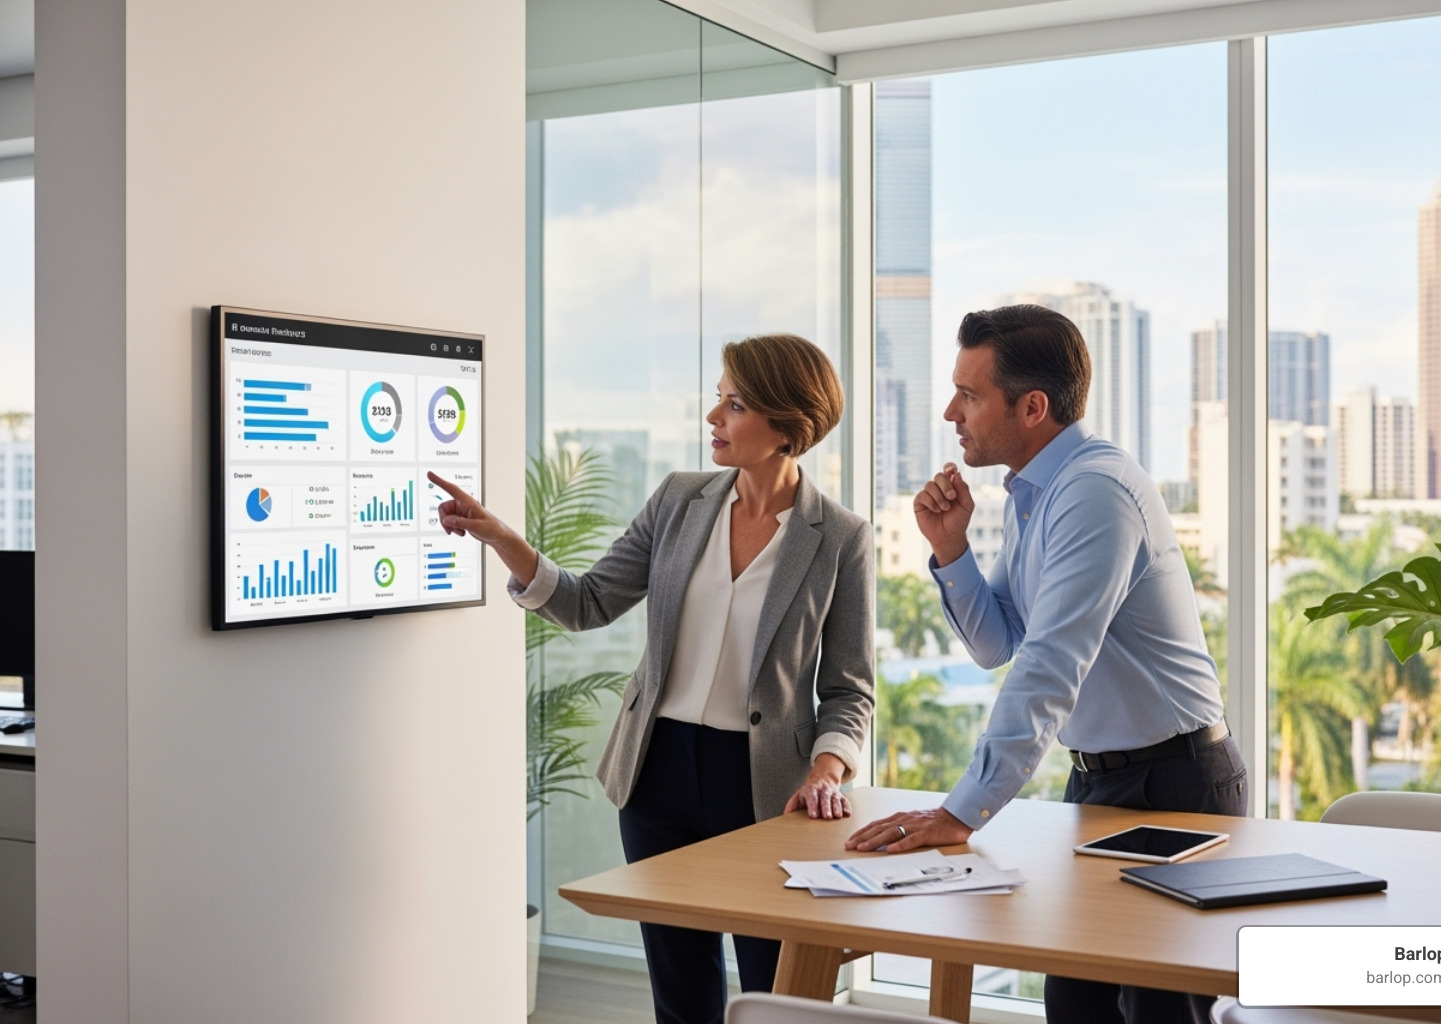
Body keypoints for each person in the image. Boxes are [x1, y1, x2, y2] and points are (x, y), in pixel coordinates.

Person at [430, 333, 875, 1024]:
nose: (713, 419)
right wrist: (503, 540)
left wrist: (827, 770)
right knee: (680, 990)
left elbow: (849, 689)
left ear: (787, 427)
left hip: (763, 792)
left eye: (734, 405)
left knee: (773, 987)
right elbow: (588, 601)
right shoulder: (678, 501)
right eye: (718, 400)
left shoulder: (840, 537)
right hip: (657, 773)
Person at [844, 304, 1245, 1024]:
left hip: (1177, 785)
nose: (950, 412)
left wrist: (960, 811)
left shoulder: (1094, 492)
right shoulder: (1038, 494)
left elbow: (1050, 666)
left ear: (1032, 407)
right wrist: (951, 550)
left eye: (969, 395)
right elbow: (1000, 644)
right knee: (1077, 1003)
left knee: (1159, 1012)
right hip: (1102, 782)